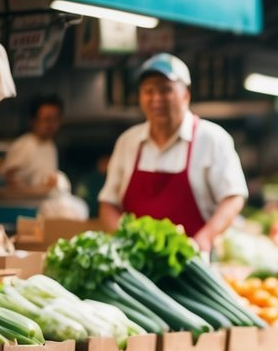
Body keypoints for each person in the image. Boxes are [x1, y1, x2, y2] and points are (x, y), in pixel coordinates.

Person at [98, 53, 248, 252]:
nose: (156, 98)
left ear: (186, 94)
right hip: (136, 264)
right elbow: (108, 203)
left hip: (194, 262)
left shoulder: (212, 138)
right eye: (148, 91)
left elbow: (233, 197)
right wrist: (124, 240)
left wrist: (205, 237)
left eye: (165, 90)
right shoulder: (128, 142)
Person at [3, 95, 63, 196]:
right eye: (47, 119)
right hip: (23, 205)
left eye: (55, 119)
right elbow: (9, 180)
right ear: (33, 121)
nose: (51, 125)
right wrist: (37, 190)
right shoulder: (23, 145)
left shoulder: (51, 145)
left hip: (44, 204)